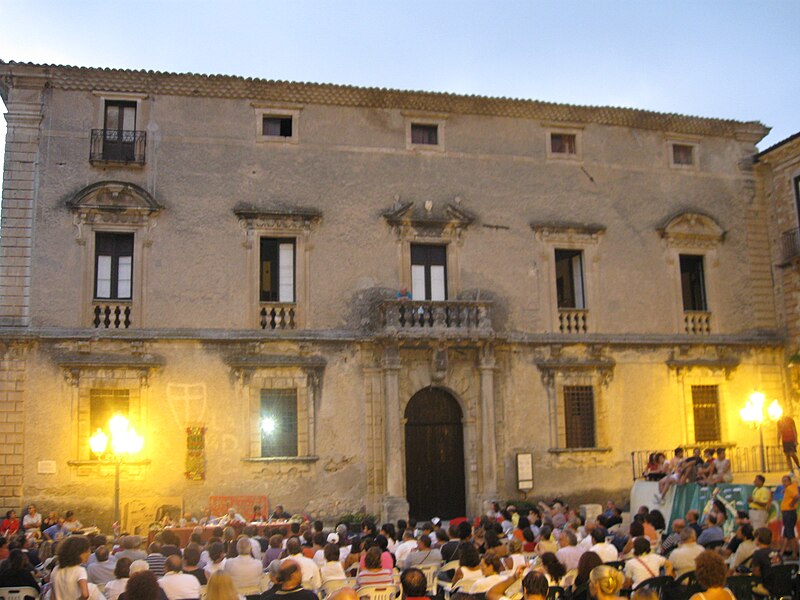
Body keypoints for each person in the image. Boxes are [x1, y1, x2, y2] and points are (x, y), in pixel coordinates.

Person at [51, 535, 92, 600]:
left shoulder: (56, 569)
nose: (89, 553)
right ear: (78, 553)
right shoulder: (80, 570)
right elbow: (85, 594)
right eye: (87, 551)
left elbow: (53, 595)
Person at [779, 474, 799, 560]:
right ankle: (781, 552)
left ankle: (794, 554)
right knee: (787, 533)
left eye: (785, 481)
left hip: (789, 513)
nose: (784, 483)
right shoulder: (789, 488)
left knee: (790, 533)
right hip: (787, 513)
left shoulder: (791, 487)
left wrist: (792, 504)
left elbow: (797, 496)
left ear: (790, 481)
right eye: (783, 481)